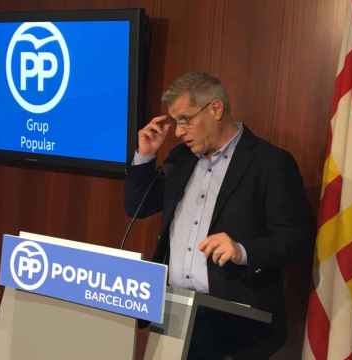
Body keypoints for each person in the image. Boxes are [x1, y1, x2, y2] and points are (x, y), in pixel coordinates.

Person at [125, 72, 314, 359]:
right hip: (175, 311)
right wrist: (145, 156)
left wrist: (243, 250)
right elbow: (137, 206)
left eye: (185, 119)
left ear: (215, 109)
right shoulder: (180, 159)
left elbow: (297, 239)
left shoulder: (270, 163)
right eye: (176, 122)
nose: (178, 132)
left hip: (235, 326)